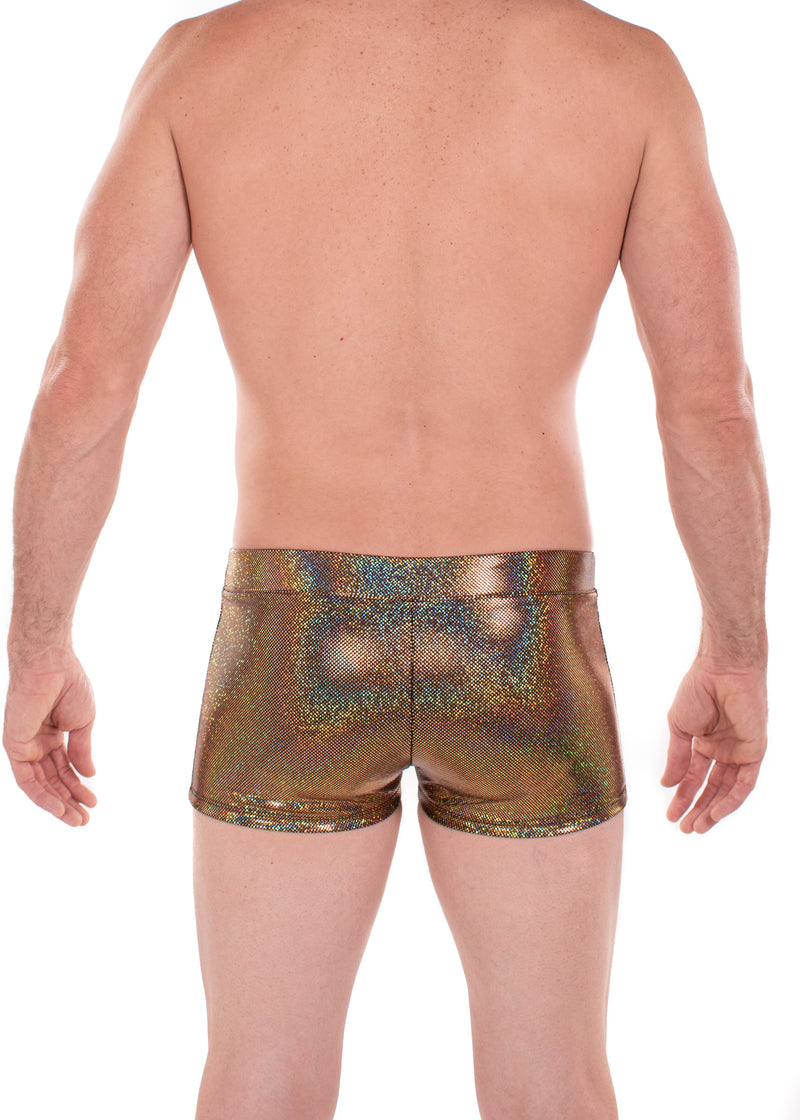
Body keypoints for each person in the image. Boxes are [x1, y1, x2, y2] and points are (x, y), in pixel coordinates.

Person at [2, 1, 769, 1118]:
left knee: (259, 1084)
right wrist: (736, 650)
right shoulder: (625, 70)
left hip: (294, 630)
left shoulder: (203, 63)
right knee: (552, 1087)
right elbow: (711, 405)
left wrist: (38, 641)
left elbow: (83, 384)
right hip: (523, 631)